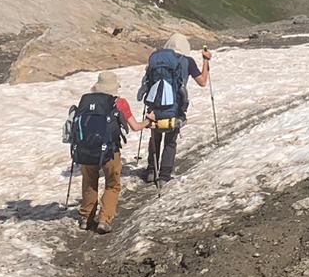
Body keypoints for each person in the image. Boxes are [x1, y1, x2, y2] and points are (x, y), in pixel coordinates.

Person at [77, 71, 147, 234]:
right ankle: (104, 219)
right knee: (112, 184)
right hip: (110, 150)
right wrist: (148, 121)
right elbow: (135, 127)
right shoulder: (120, 102)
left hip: (86, 150)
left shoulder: (86, 101)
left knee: (89, 182)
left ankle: (86, 218)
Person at [140, 33, 212, 183]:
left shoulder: (156, 59)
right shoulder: (188, 61)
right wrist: (206, 61)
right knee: (170, 140)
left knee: (155, 136)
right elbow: (203, 82)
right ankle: (164, 175)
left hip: (155, 105)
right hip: (175, 106)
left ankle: (151, 170)